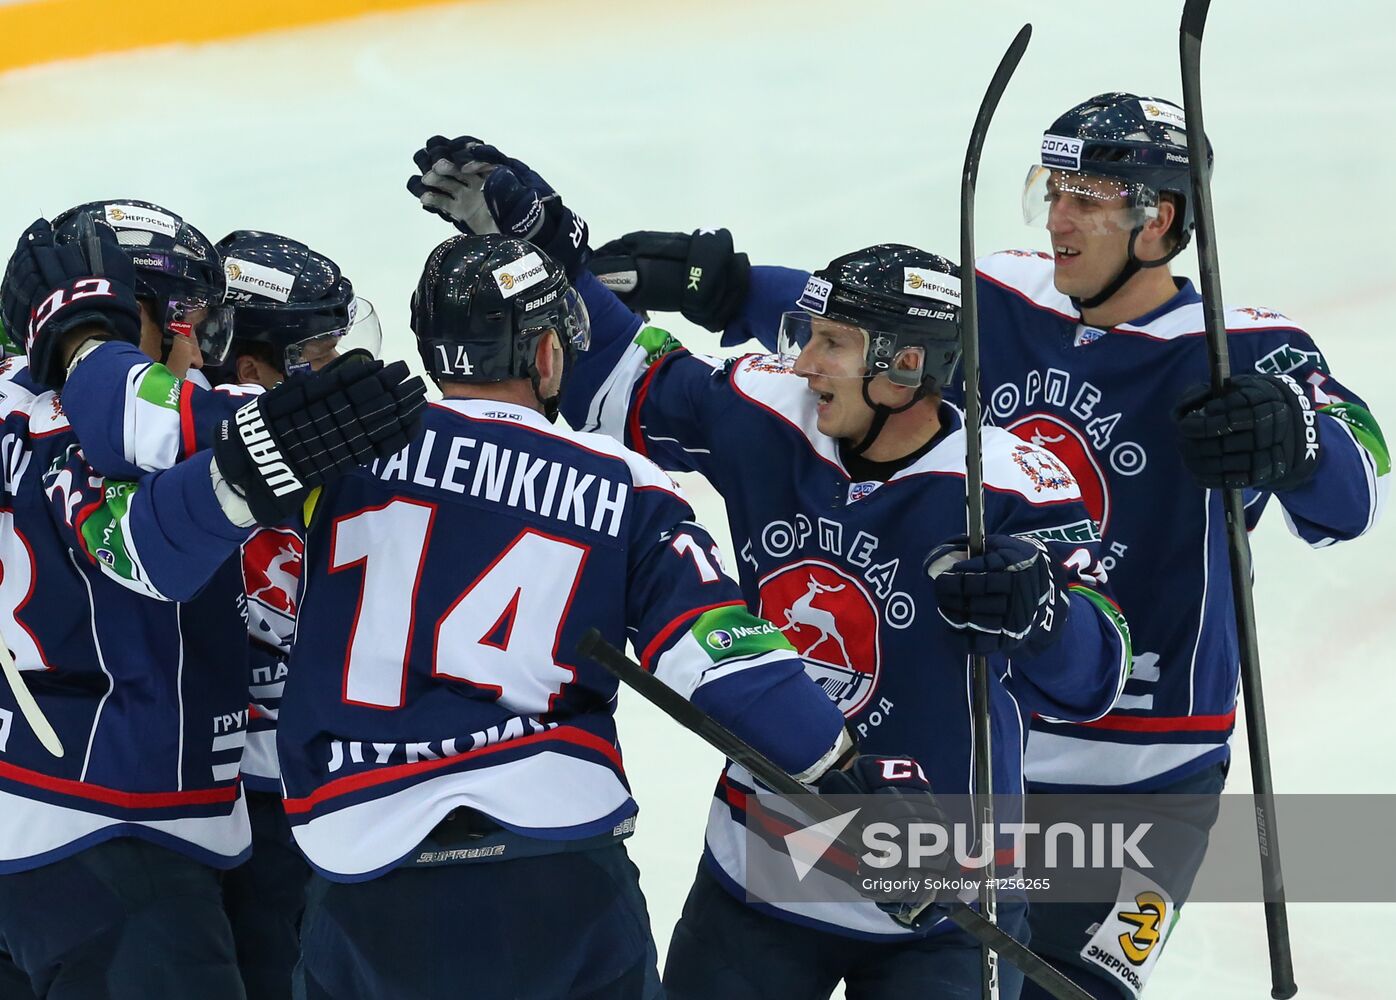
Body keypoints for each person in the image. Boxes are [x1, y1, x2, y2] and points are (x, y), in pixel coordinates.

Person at [582, 92, 1389, 999]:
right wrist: (729, 288)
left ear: (1157, 219)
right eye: (1053, 190)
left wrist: (1296, 438)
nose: (1058, 218)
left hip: (1136, 789)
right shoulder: (1001, 293)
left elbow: (1358, 477)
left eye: (1088, 198)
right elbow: (878, 337)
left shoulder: (1244, 350)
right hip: (960, 764)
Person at [407, 139, 1133, 1000]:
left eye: (831, 342)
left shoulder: (1012, 482)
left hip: (945, 898)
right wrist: (552, 252)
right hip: (760, 872)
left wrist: (1043, 613)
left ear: (905, 368)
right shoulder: (768, 411)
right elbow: (624, 378)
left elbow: (1098, 677)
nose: (804, 362)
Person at [274, 232, 922, 999]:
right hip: (555, 873)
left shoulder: (333, 453)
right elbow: (720, 656)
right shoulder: (625, 485)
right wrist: (842, 779)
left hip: (364, 868)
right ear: (548, 354)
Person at [0, 214, 423, 998]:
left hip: (42, 814)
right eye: (187, 319)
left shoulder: (19, 402)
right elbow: (144, 542)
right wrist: (263, 460)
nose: (198, 348)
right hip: (119, 823)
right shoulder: (105, 432)